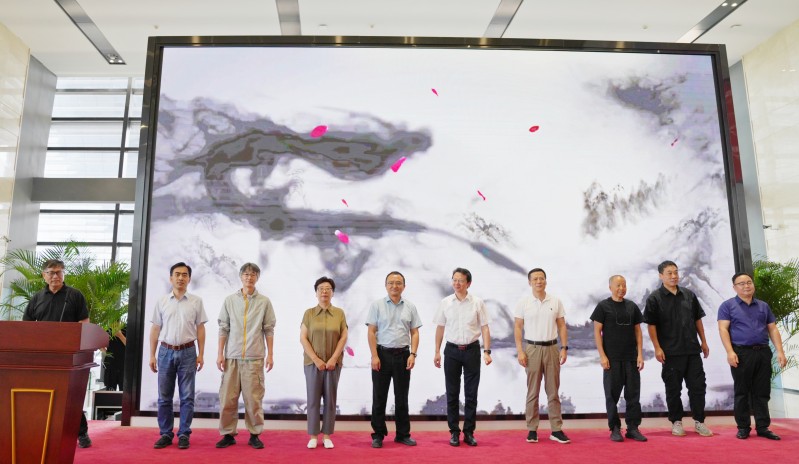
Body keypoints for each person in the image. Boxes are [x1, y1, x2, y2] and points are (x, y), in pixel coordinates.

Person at [23, 259, 93, 449]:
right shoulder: (37, 298)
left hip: (69, 356)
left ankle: (81, 432)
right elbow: (27, 325)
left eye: (59, 272)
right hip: (44, 357)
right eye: (52, 272)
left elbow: (84, 322)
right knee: (44, 396)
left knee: (71, 397)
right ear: (44, 275)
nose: (56, 276)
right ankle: (45, 432)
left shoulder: (74, 295)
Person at [643, 260, 713, 437]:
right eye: (669, 273)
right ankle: (676, 422)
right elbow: (651, 326)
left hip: (692, 350)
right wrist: (657, 348)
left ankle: (699, 422)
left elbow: (697, 320)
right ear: (661, 276)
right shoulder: (654, 298)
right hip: (670, 352)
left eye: (676, 272)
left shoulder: (689, 295)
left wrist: (703, 342)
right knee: (673, 389)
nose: (674, 276)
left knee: (698, 387)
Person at [717, 272, 787, 440]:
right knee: (742, 392)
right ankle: (743, 427)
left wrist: (780, 351)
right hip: (741, 353)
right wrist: (730, 351)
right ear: (734, 287)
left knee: (762, 391)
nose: (746, 286)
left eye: (749, 282)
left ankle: (763, 427)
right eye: (741, 283)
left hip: (763, 352)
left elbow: (772, 328)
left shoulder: (763, 306)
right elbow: (723, 329)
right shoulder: (727, 306)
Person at [216, 262, 276, 449]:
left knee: (253, 400)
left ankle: (255, 434)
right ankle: (228, 434)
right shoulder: (229, 300)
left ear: (257, 277)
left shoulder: (264, 302)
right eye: (246, 274)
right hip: (232, 357)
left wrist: (270, 354)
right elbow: (223, 328)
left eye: (253, 274)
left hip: (254, 358)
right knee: (227, 399)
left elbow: (269, 329)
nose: (249, 277)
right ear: (241, 277)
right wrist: (220, 354)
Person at [149, 262, 208, 450]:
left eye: (184, 275)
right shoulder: (162, 301)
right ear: (171, 278)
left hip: (188, 352)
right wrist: (152, 355)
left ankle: (184, 434)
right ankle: (166, 434)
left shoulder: (196, 301)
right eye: (177, 274)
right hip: (165, 351)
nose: (181, 278)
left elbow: (200, 328)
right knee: (164, 397)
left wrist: (201, 354)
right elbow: (155, 328)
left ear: (189, 279)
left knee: (187, 397)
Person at [433, 267, 492, 447]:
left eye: (460, 280)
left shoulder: (477, 302)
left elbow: (485, 327)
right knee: (452, 394)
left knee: (471, 394)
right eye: (454, 280)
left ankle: (468, 432)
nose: (457, 283)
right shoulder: (445, 302)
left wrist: (487, 351)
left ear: (468, 283)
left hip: (472, 350)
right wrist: (437, 351)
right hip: (451, 351)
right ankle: (454, 432)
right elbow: (440, 328)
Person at [513, 268, 571, 444]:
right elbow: (518, 328)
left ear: (546, 281)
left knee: (553, 391)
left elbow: (562, 326)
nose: (539, 281)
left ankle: (556, 429)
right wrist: (520, 351)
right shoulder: (523, 303)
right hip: (532, 349)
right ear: (530, 282)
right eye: (535, 279)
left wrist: (564, 348)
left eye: (542, 278)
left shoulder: (555, 301)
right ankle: (532, 429)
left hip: (552, 348)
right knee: (533, 391)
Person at [367, 271, 422, 448]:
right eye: (391, 283)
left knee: (402, 397)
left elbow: (414, 332)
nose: (394, 286)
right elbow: (371, 332)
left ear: (404, 286)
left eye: (398, 283)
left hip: (403, 356)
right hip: (382, 355)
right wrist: (374, 355)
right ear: (386, 285)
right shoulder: (377, 305)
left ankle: (402, 434)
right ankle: (378, 435)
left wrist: (413, 354)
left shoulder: (410, 307)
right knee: (379, 397)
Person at [590, 275, 647, 442]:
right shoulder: (603, 306)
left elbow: (638, 331)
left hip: (631, 358)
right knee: (611, 395)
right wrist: (602, 355)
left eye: (624, 285)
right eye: (618, 285)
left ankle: (633, 428)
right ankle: (615, 428)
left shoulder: (632, 306)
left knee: (633, 395)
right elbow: (597, 332)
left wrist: (640, 354)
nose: (621, 288)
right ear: (610, 287)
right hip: (612, 359)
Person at [300, 276, 348, 449]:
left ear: (333, 293)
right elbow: (303, 338)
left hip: (333, 364)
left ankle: (327, 435)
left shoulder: (339, 313)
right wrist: (316, 359)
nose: (324, 292)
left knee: (330, 400)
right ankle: (313, 435)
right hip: (312, 363)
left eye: (328, 289)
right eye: (321, 289)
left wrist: (334, 358)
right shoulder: (309, 314)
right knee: (313, 399)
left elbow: (343, 337)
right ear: (316, 293)